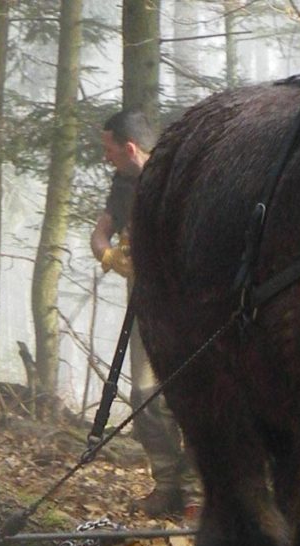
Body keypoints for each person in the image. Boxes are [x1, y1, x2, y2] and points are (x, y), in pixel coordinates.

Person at [90, 110, 202, 518]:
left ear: (130, 147)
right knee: (143, 395)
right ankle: (168, 484)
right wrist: (109, 254)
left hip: (187, 301)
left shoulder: (178, 176)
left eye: (109, 150)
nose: (106, 158)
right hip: (145, 302)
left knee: (191, 394)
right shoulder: (122, 184)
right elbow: (100, 232)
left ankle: (195, 492)